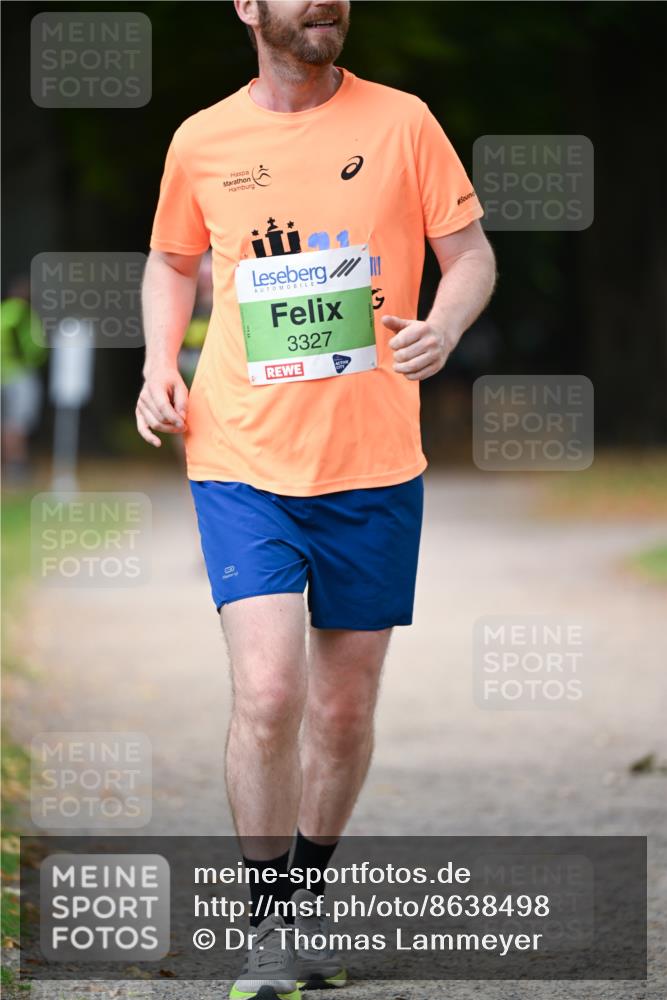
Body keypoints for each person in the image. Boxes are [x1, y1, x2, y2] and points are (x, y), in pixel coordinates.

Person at [136, 3, 496, 996]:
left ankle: (302, 903)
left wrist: (446, 325)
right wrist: (161, 363)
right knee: (269, 692)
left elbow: (470, 256)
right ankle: (266, 930)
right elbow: (171, 262)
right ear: (248, 6)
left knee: (341, 709)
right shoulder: (202, 139)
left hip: (374, 461)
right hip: (241, 456)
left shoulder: (403, 122)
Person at [1, 275, 47, 484]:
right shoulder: (22, 313)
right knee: (17, 423)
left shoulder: (4, 312)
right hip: (20, 374)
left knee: (7, 422)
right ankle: (17, 467)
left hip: (4, 374)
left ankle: (10, 466)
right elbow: (34, 347)